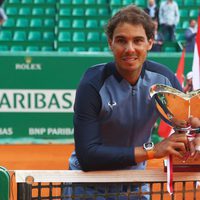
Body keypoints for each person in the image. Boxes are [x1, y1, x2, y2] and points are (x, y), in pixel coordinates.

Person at [64, 5, 200, 200]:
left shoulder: (164, 79)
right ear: (110, 42)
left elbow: (188, 123)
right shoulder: (92, 84)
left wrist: (196, 134)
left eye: (138, 40)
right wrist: (153, 151)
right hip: (87, 185)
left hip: (134, 184)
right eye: (121, 40)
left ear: (150, 43)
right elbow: (88, 156)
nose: (130, 49)